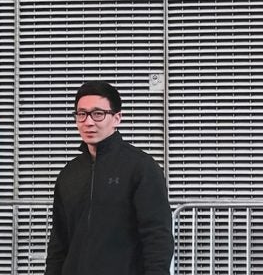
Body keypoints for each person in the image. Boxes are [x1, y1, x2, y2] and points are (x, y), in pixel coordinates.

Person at [45, 81, 174, 275]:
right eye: (82, 114)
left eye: (98, 114)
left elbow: (157, 237)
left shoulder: (141, 167)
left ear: (117, 118)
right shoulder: (69, 173)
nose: (89, 122)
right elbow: (58, 243)